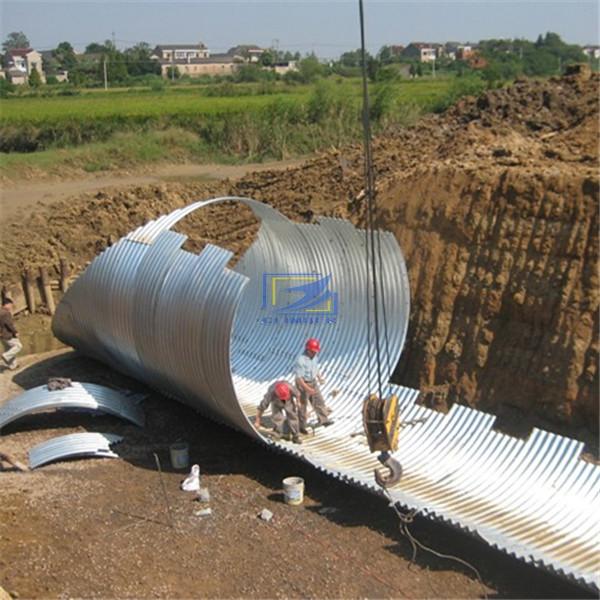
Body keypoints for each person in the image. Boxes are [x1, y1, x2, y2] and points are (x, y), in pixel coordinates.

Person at [294, 338, 333, 433]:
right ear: (308, 350)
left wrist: (319, 378)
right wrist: (307, 388)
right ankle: (301, 426)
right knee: (303, 406)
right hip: (303, 383)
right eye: (313, 351)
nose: (315, 353)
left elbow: (315, 368)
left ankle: (324, 420)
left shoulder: (314, 357)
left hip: (313, 382)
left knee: (319, 400)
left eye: (316, 351)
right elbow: (299, 379)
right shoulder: (300, 360)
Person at [0, 297, 22, 371]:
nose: (11, 307)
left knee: (8, 349)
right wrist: (15, 332)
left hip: (1, 335)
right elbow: (9, 324)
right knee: (18, 346)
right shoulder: (6, 313)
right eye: (11, 305)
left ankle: (13, 366)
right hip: (7, 334)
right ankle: (5, 356)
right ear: (7, 304)